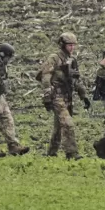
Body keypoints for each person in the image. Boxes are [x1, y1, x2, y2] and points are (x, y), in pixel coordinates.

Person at [38, 32, 90, 160]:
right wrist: (47, 96)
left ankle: (51, 152)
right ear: (62, 45)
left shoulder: (72, 60)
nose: (72, 48)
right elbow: (45, 77)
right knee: (67, 123)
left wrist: (84, 95)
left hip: (67, 96)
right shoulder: (54, 58)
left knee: (59, 126)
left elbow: (76, 79)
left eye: (73, 45)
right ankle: (71, 153)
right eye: (69, 45)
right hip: (57, 95)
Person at [0, 42, 30, 156]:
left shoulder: (1, 63)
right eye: (8, 57)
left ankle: (14, 146)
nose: (9, 60)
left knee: (7, 119)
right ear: (2, 55)